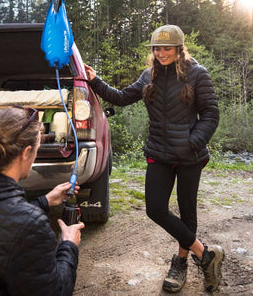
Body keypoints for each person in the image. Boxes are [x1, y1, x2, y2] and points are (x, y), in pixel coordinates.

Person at [84, 24, 224, 293]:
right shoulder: (149, 76)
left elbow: (210, 115)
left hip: (189, 157)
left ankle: (181, 263)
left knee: (187, 212)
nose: (161, 53)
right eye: (157, 48)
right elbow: (123, 97)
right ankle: (206, 254)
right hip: (159, 153)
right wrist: (95, 80)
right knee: (155, 208)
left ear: (179, 49)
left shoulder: (198, 74)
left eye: (167, 48)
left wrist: (193, 142)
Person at [0, 106, 84, 296]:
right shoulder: (31, 225)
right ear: (27, 152)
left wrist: (44, 201)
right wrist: (68, 245)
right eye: (37, 149)